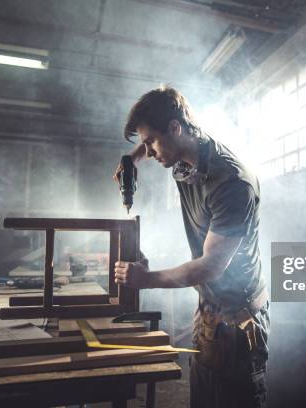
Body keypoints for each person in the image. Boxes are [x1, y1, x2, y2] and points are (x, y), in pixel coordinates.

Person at [113, 85, 269, 408]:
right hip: (209, 317)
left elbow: (211, 265)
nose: (150, 152)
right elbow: (156, 141)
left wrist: (146, 278)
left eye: (150, 142)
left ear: (175, 128)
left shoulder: (231, 182)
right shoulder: (183, 160)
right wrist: (131, 159)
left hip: (239, 326)